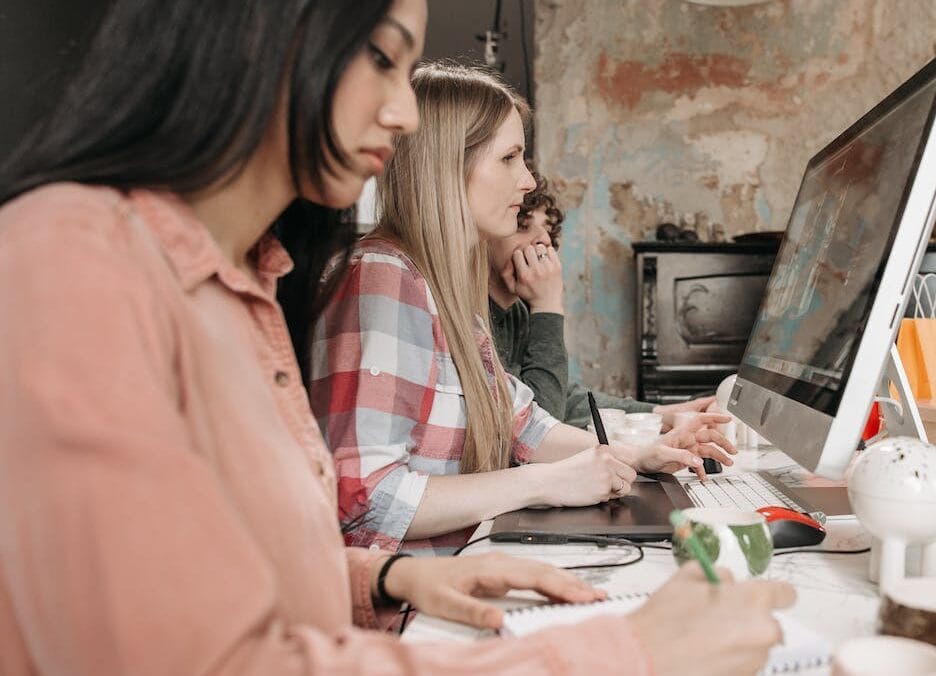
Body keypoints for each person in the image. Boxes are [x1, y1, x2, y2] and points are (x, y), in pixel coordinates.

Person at [0, 1, 794, 674]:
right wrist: (628, 650)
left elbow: (232, 569)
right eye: (383, 58)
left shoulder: (248, 286)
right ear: (259, 32)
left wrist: (386, 579)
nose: (406, 111)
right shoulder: (73, 260)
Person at [308, 62, 736, 554]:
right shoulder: (382, 280)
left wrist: (641, 455)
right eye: (510, 158)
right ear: (448, 165)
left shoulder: (441, 285)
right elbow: (364, 500)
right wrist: (543, 483)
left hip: (472, 567)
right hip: (411, 611)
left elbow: (521, 421)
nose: (529, 180)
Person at [487, 172, 716, 429]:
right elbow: (539, 429)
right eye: (523, 225)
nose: (545, 241)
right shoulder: (475, 318)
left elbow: (564, 398)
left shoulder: (516, 313)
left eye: (549, 231)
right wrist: (547, 306)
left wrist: (660, 414)